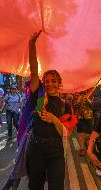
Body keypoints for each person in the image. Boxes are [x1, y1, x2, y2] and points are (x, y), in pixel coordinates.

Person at [26, 30, 69, 190]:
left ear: (59, 84)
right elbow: (33, 70)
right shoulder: (38, 96)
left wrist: (54, 119)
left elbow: (65, 133)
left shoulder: (66, 105)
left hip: (56, 151)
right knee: (34, 186)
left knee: (56, 186)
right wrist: (31, 45)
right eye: (47, 81)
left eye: (54, 81)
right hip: (36, 149)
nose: (50, 84)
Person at [74, 90, 94, 156]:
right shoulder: (78, 94)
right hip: (80, 117)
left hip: (89, 117)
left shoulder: (92, 94)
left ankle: (89, 148)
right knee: (80, 133)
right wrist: (79, 100)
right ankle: (82, 148)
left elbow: (93, 106)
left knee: (89, 134)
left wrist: (87, 99)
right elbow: (75, 106)